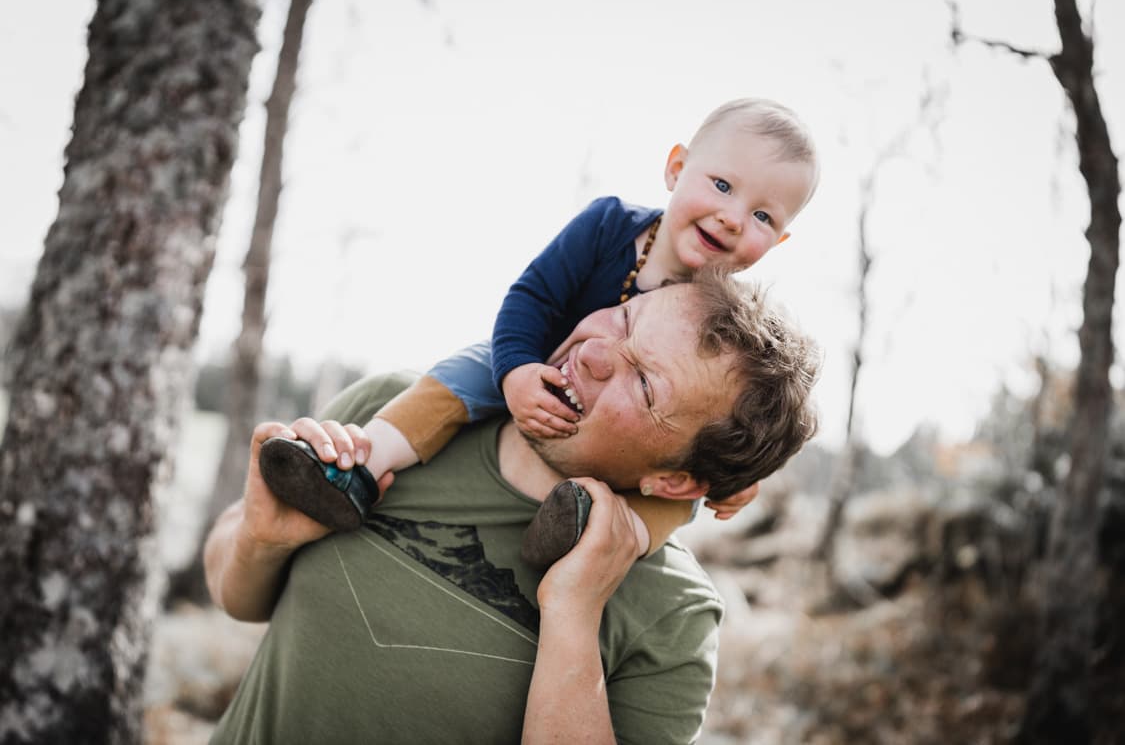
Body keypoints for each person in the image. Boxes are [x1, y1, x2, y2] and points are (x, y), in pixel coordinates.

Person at [204, 270, 821, 743]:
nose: (595, 353)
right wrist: (263, 538)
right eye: (626, 319)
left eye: (645, 383)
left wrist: (574, 616)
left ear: (677, 480)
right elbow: (234, 595)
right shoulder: (391, 417)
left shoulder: (673, 613)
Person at [260, 97, 820, 561]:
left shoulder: (721, 316)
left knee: (677, 497)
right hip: (536, 351)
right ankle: (363, 464)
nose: (732, 217)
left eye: (763, 217)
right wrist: (518, 371)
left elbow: (733, 416)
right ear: (677, 168)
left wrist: (737, 476)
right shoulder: (608, 225)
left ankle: (586, 537)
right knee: (459, 377)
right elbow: (533, 296)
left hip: (622, 437)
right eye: (722, 186)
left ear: (780, 242)